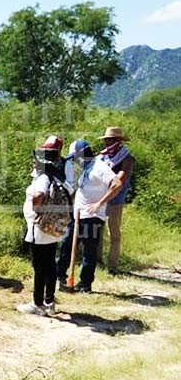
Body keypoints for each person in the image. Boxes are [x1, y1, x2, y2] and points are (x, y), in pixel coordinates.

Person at [56, 140, 126, 293]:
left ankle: (85, 284)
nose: (75, 160)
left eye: (75, 157)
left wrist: (99, 203)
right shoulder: (86, 168)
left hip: (92, 217)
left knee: (89, 251)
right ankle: (59, 276)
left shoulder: (100, 167)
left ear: (83, 154)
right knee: (66, 245)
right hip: (78, 216)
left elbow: (117, 184)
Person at [17, 148, 72, 316]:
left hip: (40, 227)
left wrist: (37, 211)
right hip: (52, 227)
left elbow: (39, 195)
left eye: (36, 160)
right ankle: (49, 302)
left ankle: (37, 303)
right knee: (50, 265)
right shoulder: (57, 176)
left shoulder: (42, 178)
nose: (33, 162)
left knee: (39, 266)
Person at [98, 127, 134, 274]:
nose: (107, 142)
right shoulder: (103, 157)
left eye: (110, 139)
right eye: (106, 139)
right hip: (100, 197)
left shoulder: (127, 158)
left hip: (115, 199)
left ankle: (112, 266)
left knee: (114, 232)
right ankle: (97, 261)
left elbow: (121, 178)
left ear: (118, 141)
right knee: (98, 231)